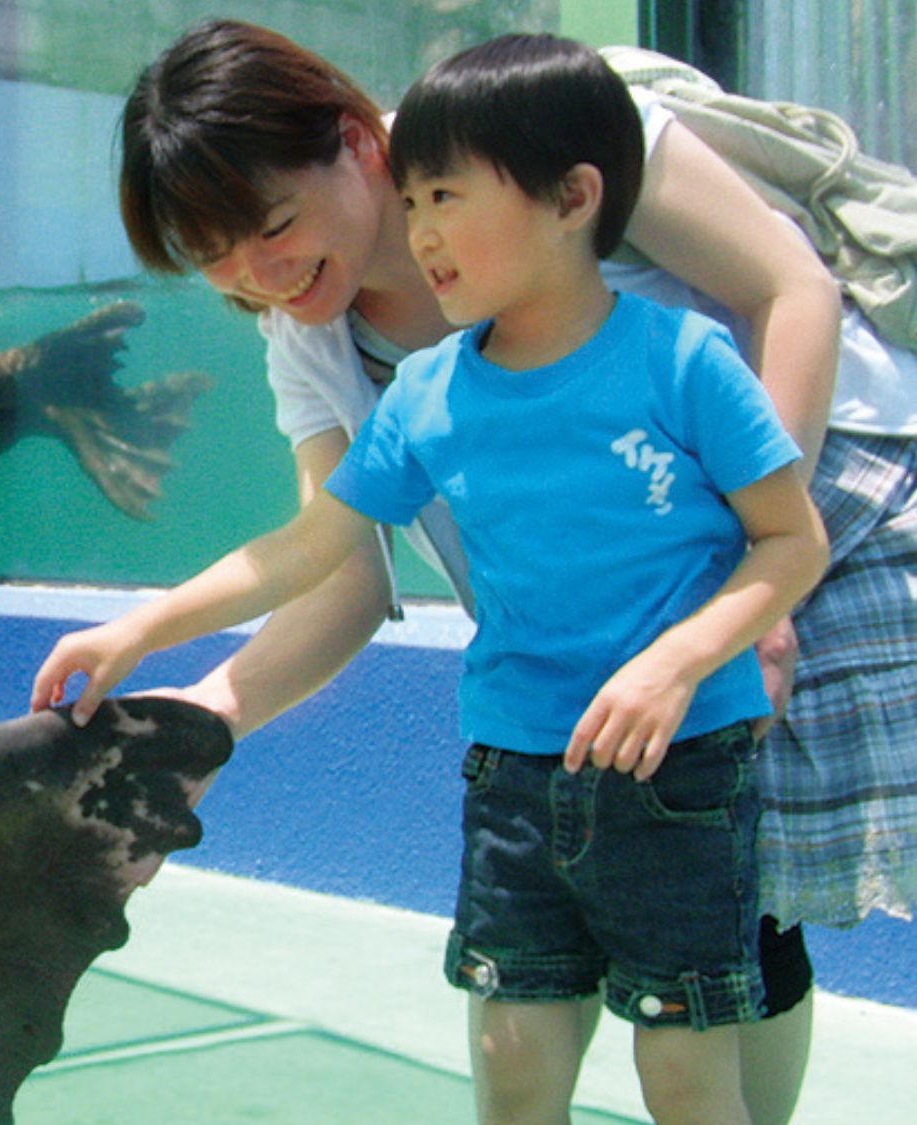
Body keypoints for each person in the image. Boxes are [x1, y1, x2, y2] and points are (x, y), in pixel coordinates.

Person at [100, 19, 917, 1122]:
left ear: (356, 143)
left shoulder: (539, 127)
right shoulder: (312, 329)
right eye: (215, 264)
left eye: (274, 226)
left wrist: (742, 597)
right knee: (543, 981)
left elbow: (789, 290)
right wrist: (204, 711)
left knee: (744, 896)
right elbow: (336, 568)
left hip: (814, 491)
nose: (258, 276)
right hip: (577, 660)